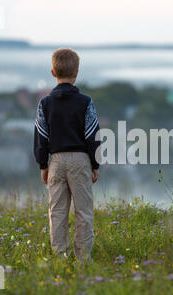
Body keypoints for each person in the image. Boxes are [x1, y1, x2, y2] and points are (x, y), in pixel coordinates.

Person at [33, 48, 100, 263]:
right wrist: (95, 164)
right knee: (83, 211)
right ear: (77, 72)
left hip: (56, 161)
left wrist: (43, 165)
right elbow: (93, 135)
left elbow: (41, 136)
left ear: (53, 72)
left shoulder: (44, 104)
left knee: (57, 212)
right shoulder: (86, 102)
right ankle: (83, 259)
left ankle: (60, 258)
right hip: (80, 160)